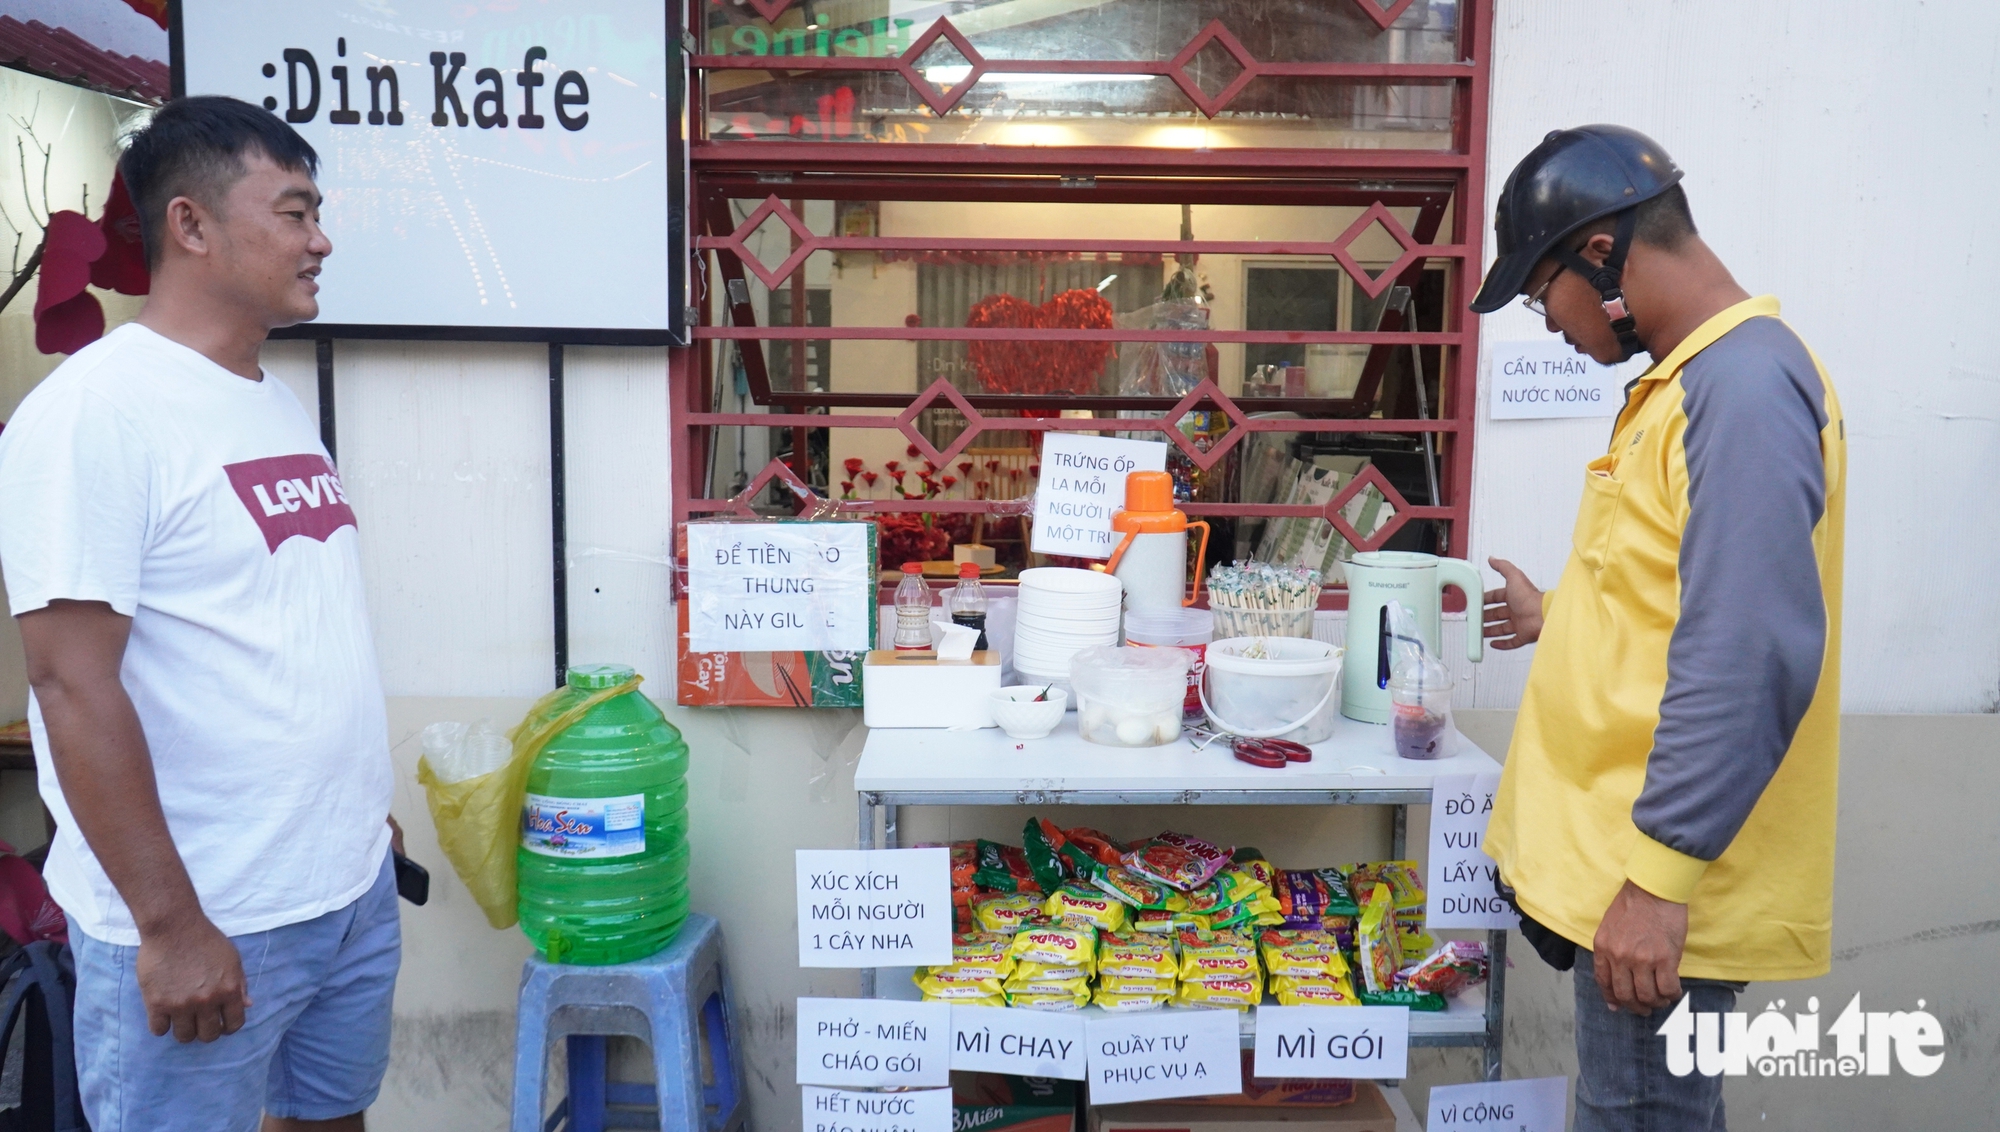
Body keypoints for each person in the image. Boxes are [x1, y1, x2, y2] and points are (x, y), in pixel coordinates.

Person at [0, 96, 399, 1130]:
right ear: (191, 224)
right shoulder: (96, 414)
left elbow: (274, 626)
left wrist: (352, 811)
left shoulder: (261, 396)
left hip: (341, 890)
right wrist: (171, 925)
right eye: (295, 210)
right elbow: (68, 681)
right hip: (205, 918)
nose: (320, 240)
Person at [1470, 125, 1846, 1130]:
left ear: (1598, 254)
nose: (1543, 323)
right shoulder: (1685, 384)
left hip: (1649, 891)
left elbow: (1746, 648)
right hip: (1623, 877)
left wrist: (1656, 882)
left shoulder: (1742, 386)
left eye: (1535, 289)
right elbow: (1676, 600)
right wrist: (1559, 615)